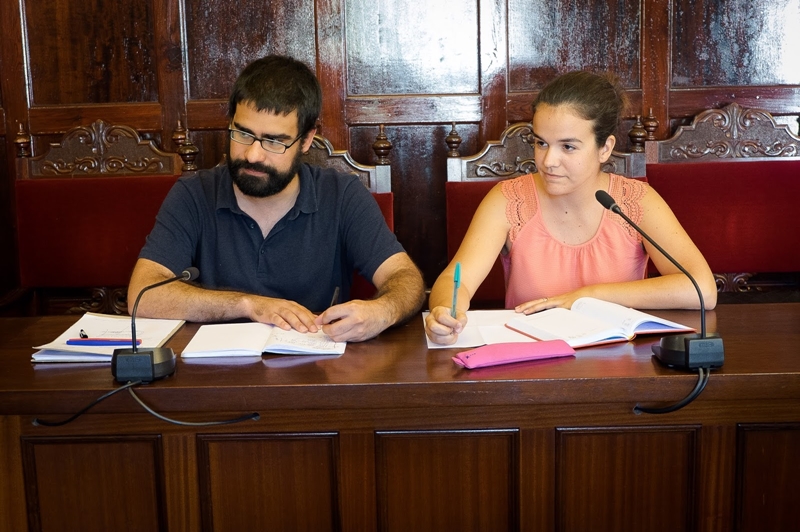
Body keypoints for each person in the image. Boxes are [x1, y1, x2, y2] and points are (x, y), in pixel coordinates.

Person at [129, 54, 425, 342]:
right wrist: (249, 305)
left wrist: (382, 311)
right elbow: (143, 296)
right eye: (243, 134)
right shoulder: (193, 194)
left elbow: (404, 277)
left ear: (306, 140)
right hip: (215, 368)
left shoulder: (342, 194)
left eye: (273, 141)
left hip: (317, 364)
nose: (252, 155)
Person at [425, 70, 716, 345]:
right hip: (531, 360)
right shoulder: (507, 200)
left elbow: (702, 290)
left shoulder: (636, 201)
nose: (548, 161)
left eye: (568, 147)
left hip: (619, 361)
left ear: (605, 148)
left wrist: (586, 297)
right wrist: (444, 311)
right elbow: (455, 280)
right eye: (541, 143)